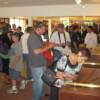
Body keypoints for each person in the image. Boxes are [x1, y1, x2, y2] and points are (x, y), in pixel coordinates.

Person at [27, 21, 54, 100]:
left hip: (41, 62)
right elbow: (36, 51)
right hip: (36, 64)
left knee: (42, 80)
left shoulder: (38, 36)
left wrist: (47, 44)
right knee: (38, 82)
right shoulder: (32, 37)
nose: (44, 31)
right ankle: (36, 98)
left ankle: (40, 94)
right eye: (43, 29)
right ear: (38, 28)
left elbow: (40, 46)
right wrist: (49, 47)